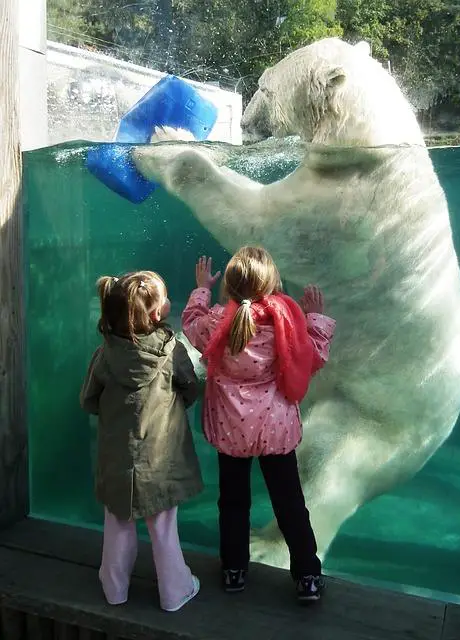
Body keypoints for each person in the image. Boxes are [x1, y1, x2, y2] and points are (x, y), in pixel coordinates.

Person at [181, 247, 336, 604]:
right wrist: (314, 316)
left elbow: (191, 323)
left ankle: (234, 570)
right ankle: (308, 576)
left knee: (233, 503)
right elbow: (313, 358)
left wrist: (202, 288)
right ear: (273, 283)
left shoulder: (217, 322)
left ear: (229, 288)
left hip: (231, 431)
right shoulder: (287, 324)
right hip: (276, 431)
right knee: (290, 504)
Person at [80, 270, 203, 612]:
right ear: (156, 314)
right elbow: (190, 388)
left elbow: (88, 399)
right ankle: (175, 592)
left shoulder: (106, 355)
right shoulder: (171, 350)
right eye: (165, 298)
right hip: (160, 461)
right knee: (163, 527)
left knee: (117, 521)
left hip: (117, 458)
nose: (168, 302)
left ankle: (114, 588)